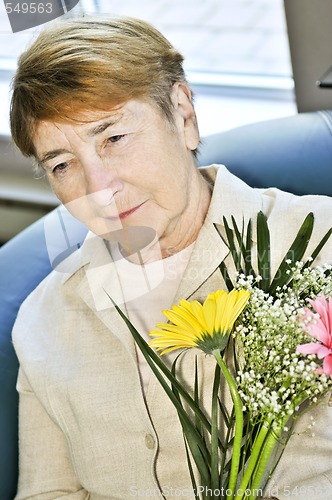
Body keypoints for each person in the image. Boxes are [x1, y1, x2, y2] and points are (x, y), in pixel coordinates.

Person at [10, 15, 332, 500]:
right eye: (62, 164)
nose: (100, 189)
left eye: (113, 138)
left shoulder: (320, 243)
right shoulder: (43, 321)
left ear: (183, 115)